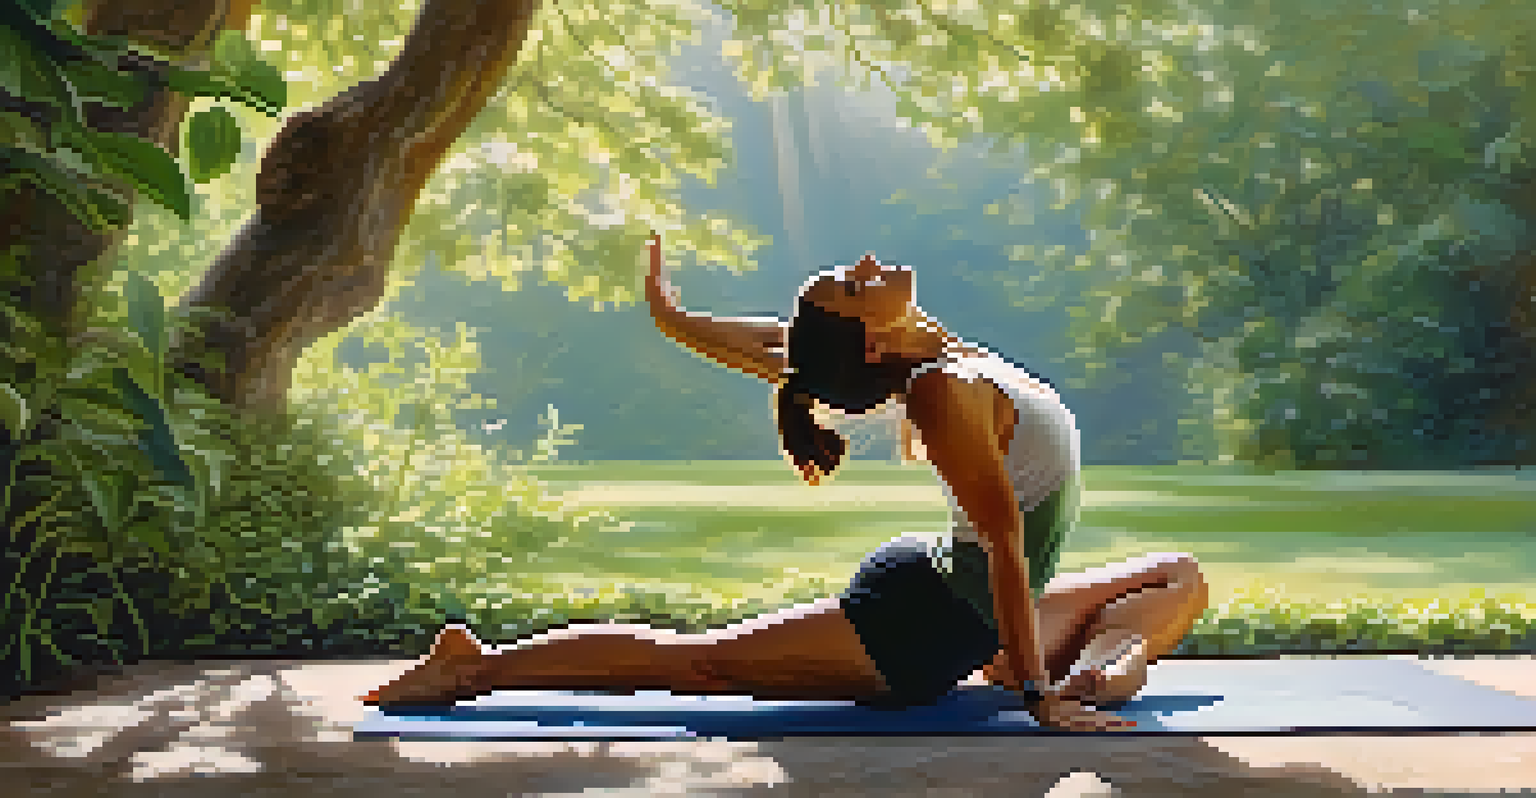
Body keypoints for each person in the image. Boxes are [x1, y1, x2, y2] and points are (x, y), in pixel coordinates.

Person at [360, 234, 1209, 731]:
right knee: (700, 665)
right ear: (872, 343)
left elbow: (788, 353)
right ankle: (473, 670)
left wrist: (677, 319)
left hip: (968, 606)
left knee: (1178, 576)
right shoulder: (944, 393)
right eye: (853, 284)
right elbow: (1004, 545)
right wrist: (1032, 697)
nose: (869, 263)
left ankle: (1100, 673)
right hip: (926, 630)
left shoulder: (937, 351)